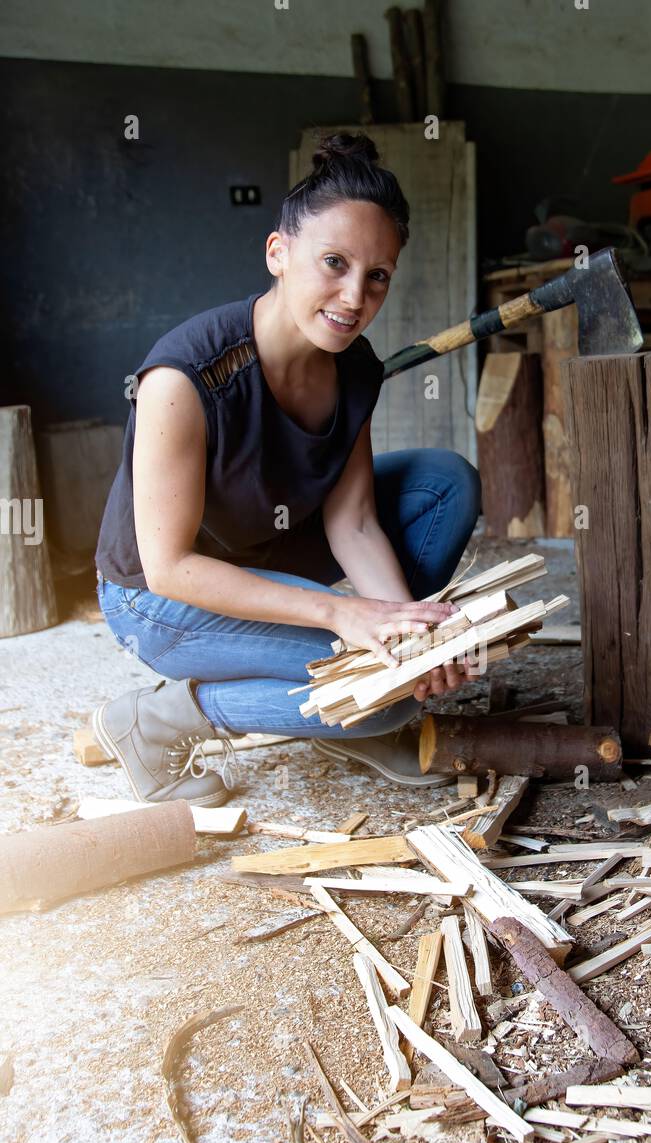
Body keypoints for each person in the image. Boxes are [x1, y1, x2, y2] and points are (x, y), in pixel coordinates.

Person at [92, 131, 482, 808]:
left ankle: (347, 702)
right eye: (333, 262)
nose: (354, 296)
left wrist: (403, 626)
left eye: (377, 275)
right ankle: (158, 718)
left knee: (445, 486)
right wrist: (341, 615)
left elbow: (354, 521)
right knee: (382, 701)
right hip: (159, 599)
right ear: (278, 253)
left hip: (266, 557)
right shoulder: (185, 377)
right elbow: (168, 568)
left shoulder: (353, 366)